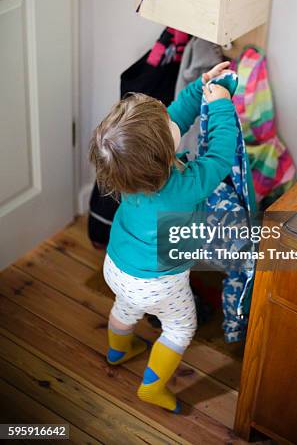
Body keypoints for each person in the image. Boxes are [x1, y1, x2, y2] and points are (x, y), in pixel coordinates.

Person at [89, 61, 238, 413]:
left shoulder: (128, 172)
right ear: (165, 152)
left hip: (119, 268)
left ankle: (117, 350)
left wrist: (198, 87)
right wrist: (219, 104)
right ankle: (152, 388)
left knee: (126, 306)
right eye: (168, 125)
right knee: (181, 327)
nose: (173, 120)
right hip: (160, 283)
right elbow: (219, 155)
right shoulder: (184, 186)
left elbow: (171, 120)